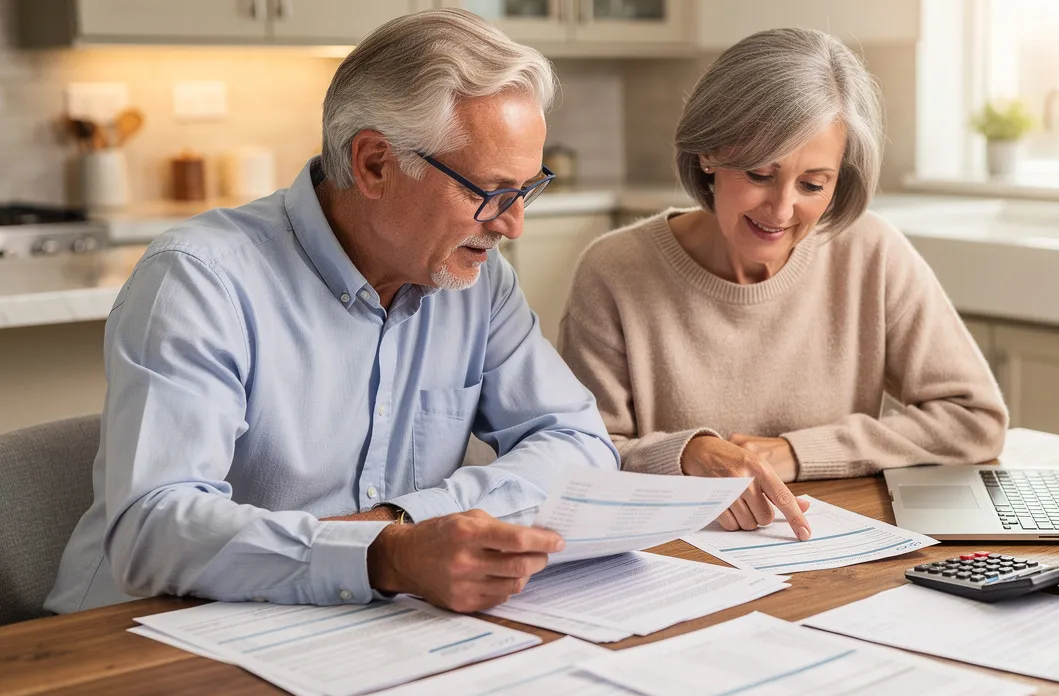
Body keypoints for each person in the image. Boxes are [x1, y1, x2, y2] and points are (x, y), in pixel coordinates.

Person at [45, 9, 618, 616]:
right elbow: (154, 529)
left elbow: (579, 444)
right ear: (375, 164)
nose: (513, 224)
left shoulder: (479, 283)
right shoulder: (200, 279)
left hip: (345, 624)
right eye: (489, 192)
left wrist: (400, 522)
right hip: (143, 633)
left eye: (527, 189)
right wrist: (384, 553)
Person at [559, 28, 1007, 540]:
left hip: (827, 551)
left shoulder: (870, 252)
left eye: (814, 184)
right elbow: (577, 453)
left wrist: (798, 452)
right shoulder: (614, 270)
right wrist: (685, 455)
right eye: (758, 174)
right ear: (709, 154)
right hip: (674, 561)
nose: (782, 210)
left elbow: (974, 418)